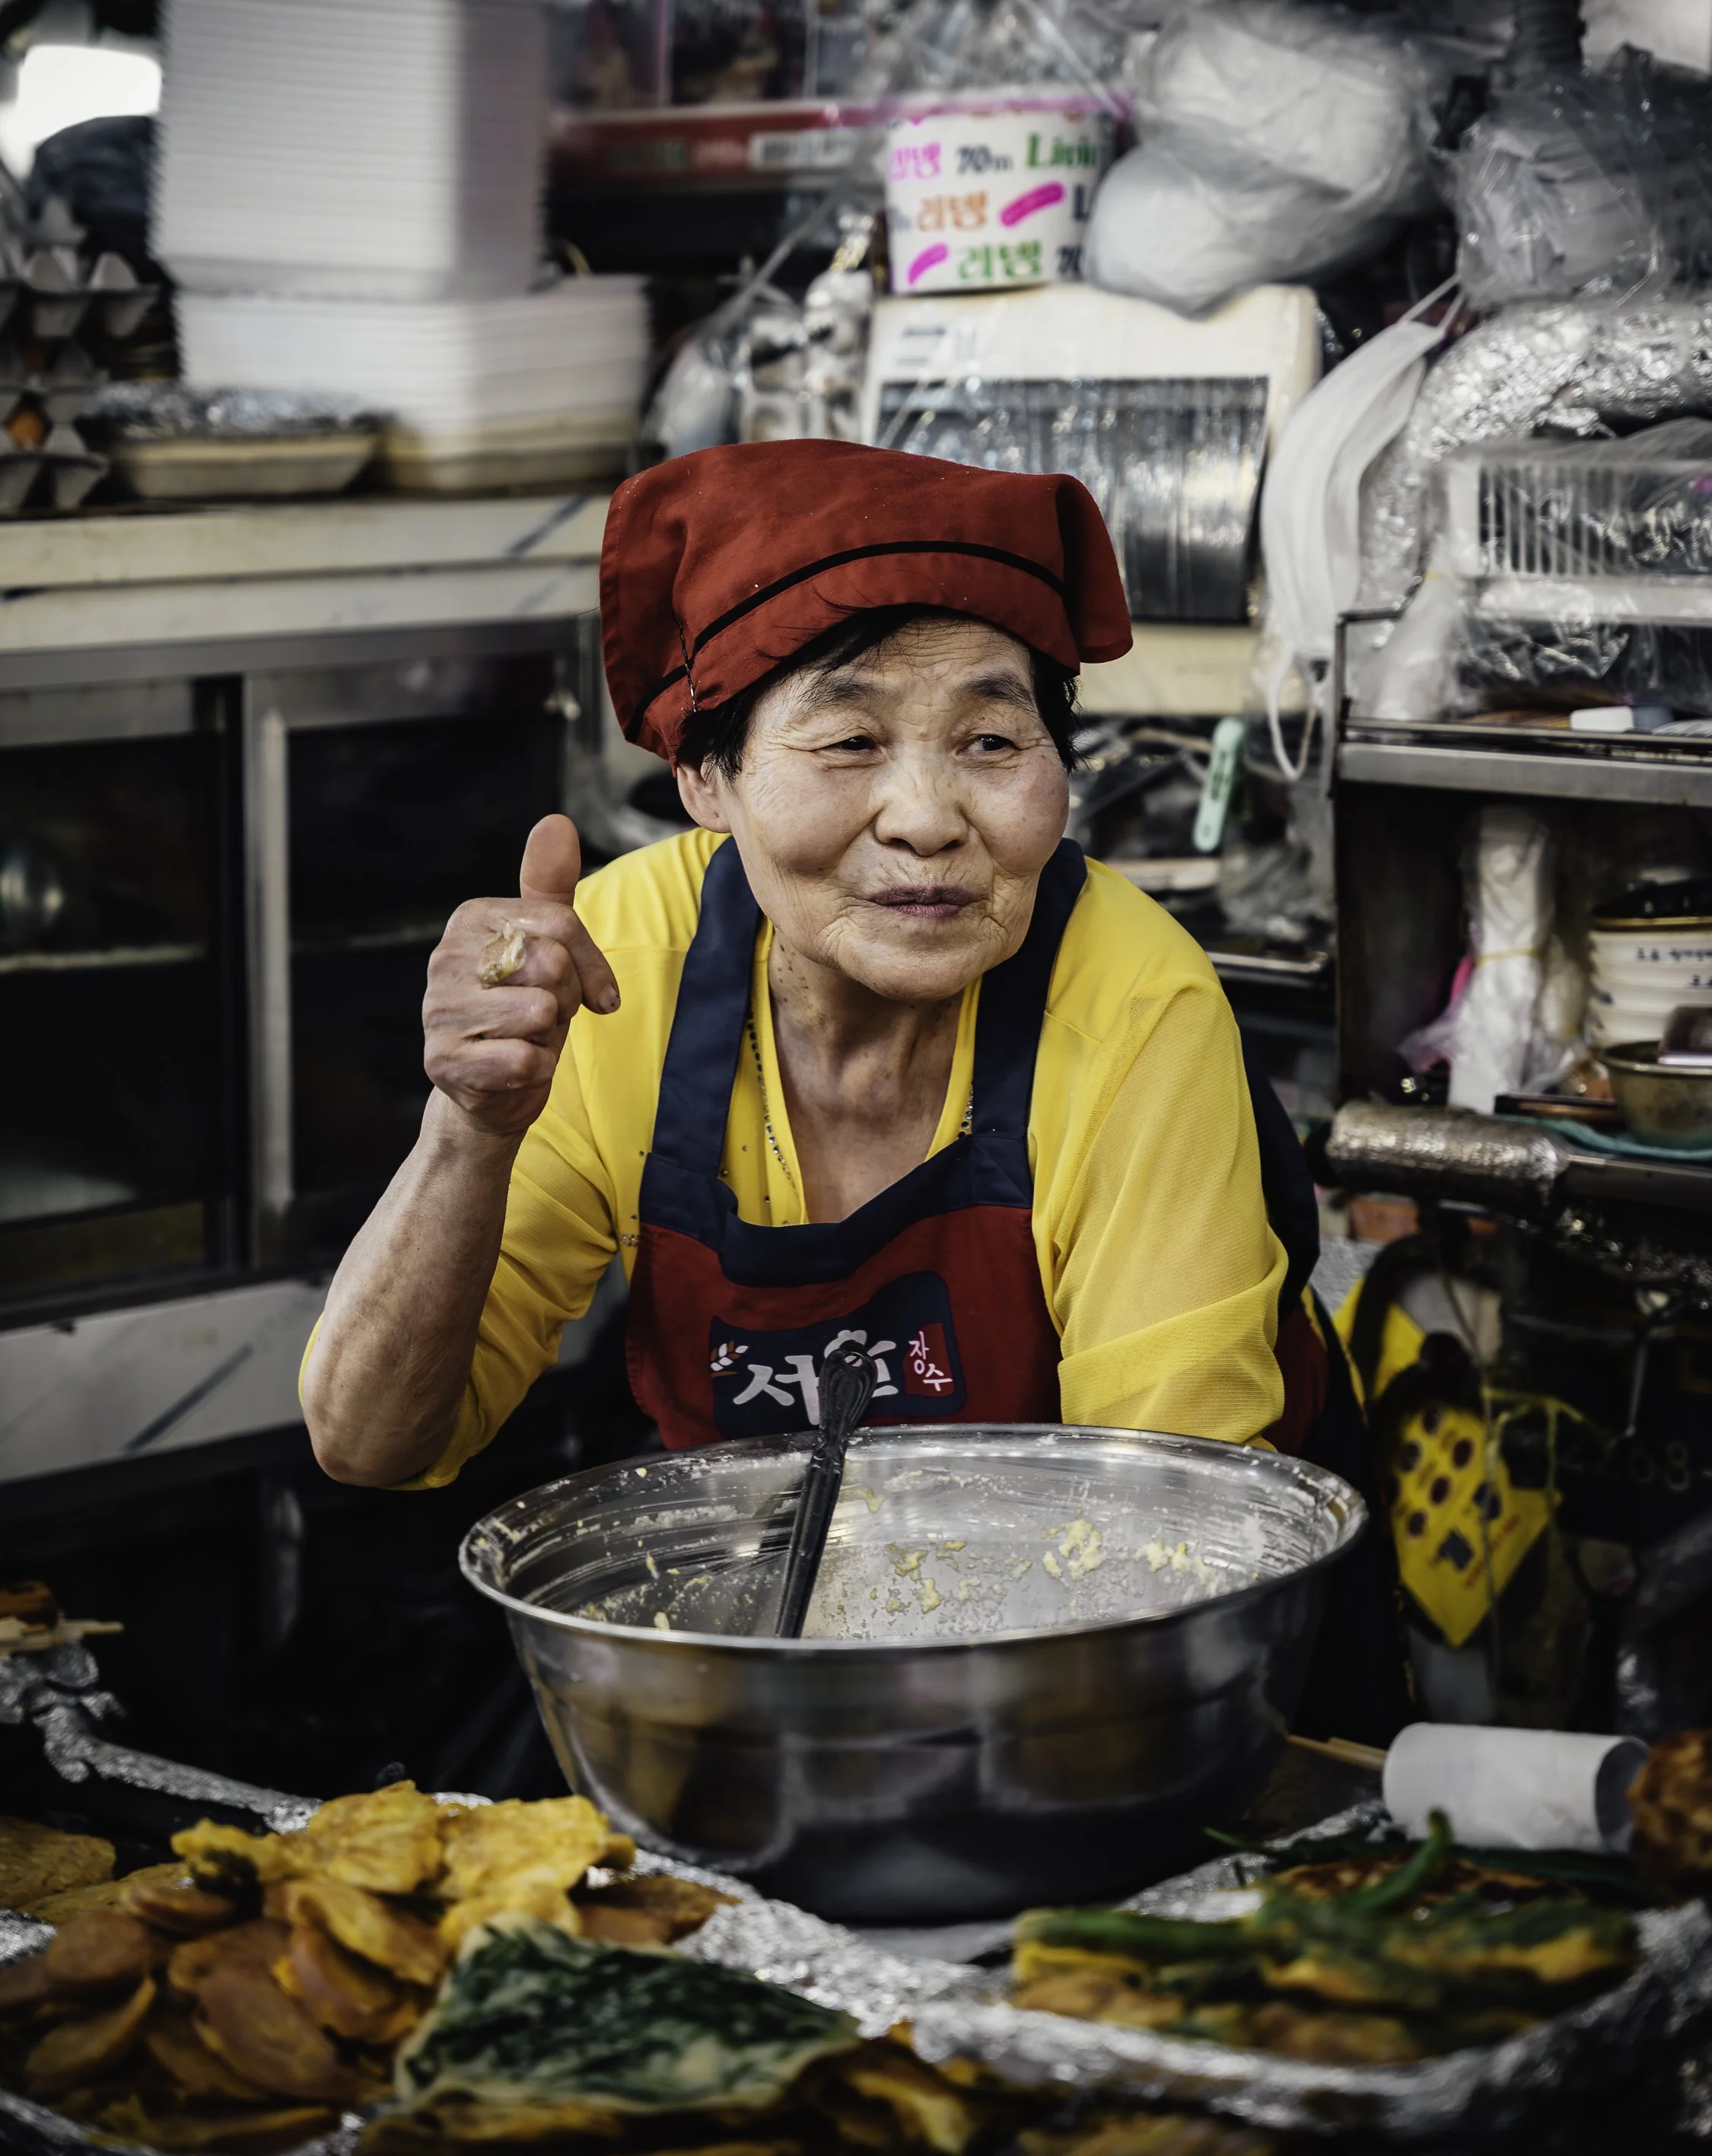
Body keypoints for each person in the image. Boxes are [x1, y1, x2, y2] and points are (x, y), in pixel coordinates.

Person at [301, 441, 1326, 1504]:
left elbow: (1170, 1515)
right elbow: (373, 1442)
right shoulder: (618, 967)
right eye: (847, 741)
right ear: (706, 779)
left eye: (989, 741)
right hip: (767, 1616)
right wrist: (468, 1128)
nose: (927, 820)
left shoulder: (1132, 1002)